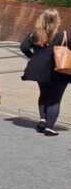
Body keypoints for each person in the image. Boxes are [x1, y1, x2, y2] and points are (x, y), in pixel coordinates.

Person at [20, 8, 70, 136]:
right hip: (60, 70)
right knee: (55, 99)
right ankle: (49, 127)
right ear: (57, 19)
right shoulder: (63, 34)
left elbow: (24, 47)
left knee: (44, 93)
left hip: (41, 70)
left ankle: (42, 120)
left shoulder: (35, 34)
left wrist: (32, 56)